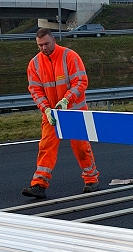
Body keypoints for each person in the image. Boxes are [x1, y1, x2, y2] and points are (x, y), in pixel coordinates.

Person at [22, 28, 100, 198]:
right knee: (46, 147)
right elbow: (35, 90)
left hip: (74, 112)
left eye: (46, 44)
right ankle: (39, 184)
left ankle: (91, 179)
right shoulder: (34, 64)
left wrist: (66, 100)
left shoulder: (69, 56)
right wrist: (46, 109)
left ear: (54, 40)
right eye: (40, 45)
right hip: (52, 115)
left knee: (81, 147)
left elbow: (80, 81)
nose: (43, 48)